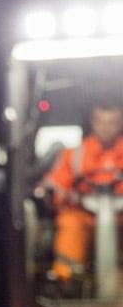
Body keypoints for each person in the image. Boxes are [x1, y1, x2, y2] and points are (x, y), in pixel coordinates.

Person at [38, 95, 123, 294]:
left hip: (119, 217)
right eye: (101, 122)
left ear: (119, 124)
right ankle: (66, 281)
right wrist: (66, 196)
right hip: (85, 215)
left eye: (111, 123)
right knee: (69, 222)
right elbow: (55, 185)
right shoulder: (74, 154)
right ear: (93, 122)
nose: (105, 128)